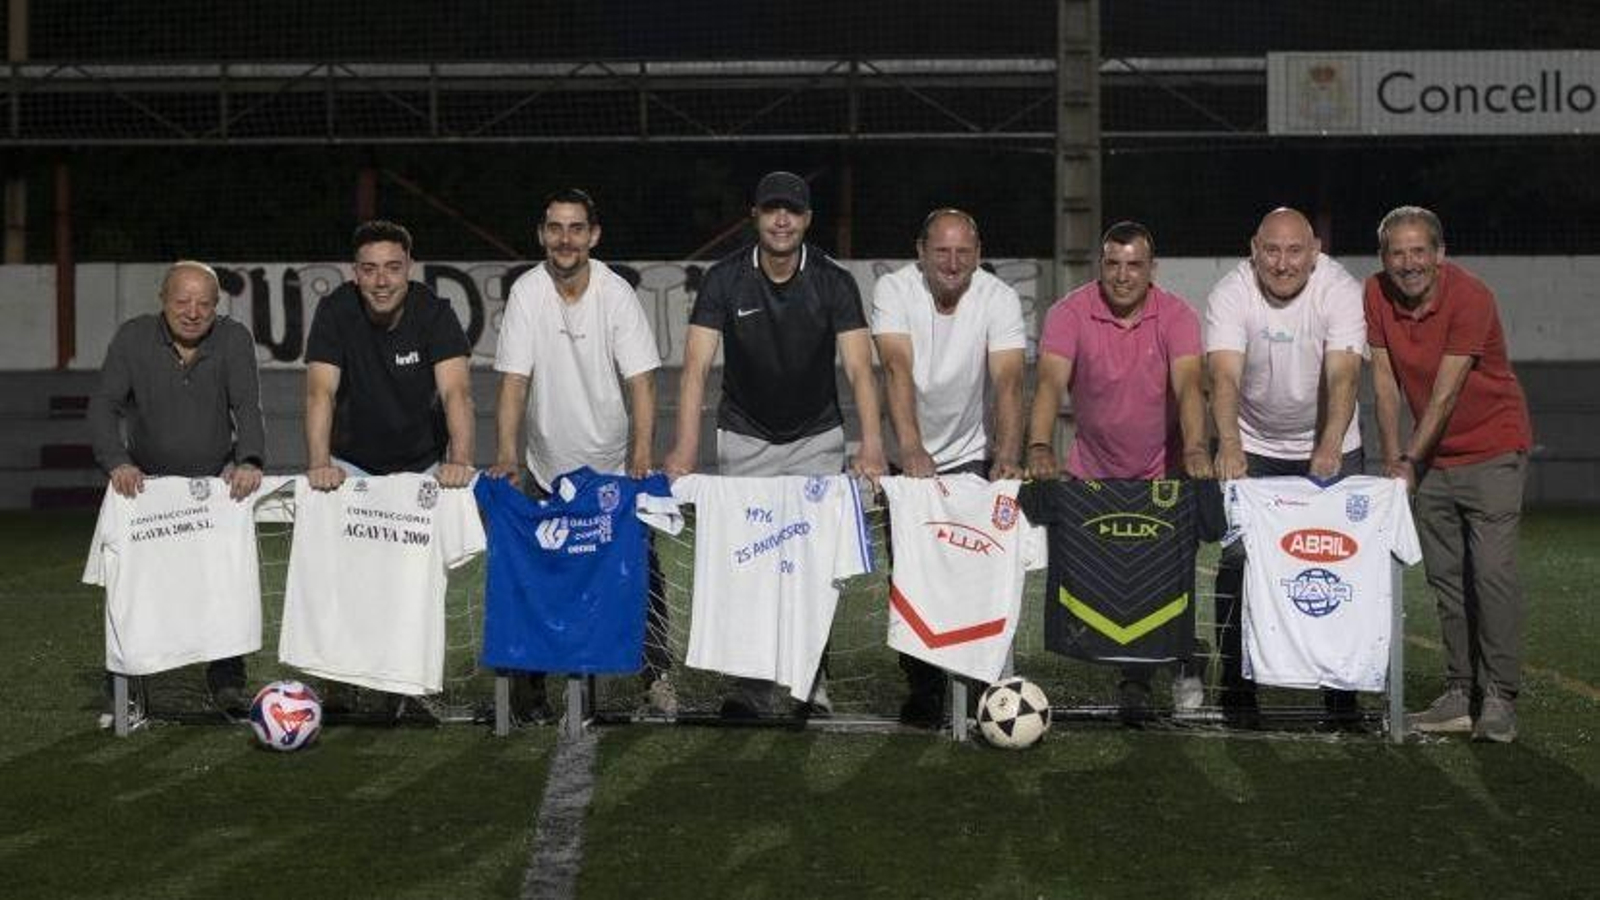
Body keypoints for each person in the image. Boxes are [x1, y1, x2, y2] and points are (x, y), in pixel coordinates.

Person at [664, 170, 886, 716]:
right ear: (755, 217)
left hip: (816, 436)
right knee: (749, 563)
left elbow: (860, 369)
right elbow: (695, 369)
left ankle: (811, 681)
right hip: (744, 436)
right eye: (771, 210)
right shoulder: (723, 279)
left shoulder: (834, 282)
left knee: (813, 564)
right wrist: (684, 450)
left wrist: (873, 444)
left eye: (792, 210)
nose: (781, 219)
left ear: (807, 219)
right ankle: (752, 687)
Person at [486, 188, 672, 721]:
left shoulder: (616, 294)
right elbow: (514, 384)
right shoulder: (526, 293)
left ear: (593, 235)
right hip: (548, 471)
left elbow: (642, 382)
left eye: (575, 228)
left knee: (644, 575)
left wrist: (640, 455)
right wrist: (506, 455)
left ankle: (655, 676)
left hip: (612, 469)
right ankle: (532, 690)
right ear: (542, 234)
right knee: (539, 577)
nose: (564, 239)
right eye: (554, 228)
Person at [1026, 221, 1211, 723]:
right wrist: (1040, 444)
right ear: (1100, 265)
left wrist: (1195, 449)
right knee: (1122, 586)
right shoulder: (1069, 313)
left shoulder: (1177, 315)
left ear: (1152, 269)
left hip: (1165, 473)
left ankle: (1186, 662)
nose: (1123, 275)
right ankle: (1134, 680)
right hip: (1095, 475)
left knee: (1172, 583)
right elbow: (1048, 383)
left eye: (1134, 265)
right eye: (1113, 264)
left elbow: (1191, 385)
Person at [1364, 206, 1532, 743]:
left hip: (1492, 448)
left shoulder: (1471, 296)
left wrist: (1410, 461)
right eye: (1397, 252)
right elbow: (1386, 382)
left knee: (1490, 574)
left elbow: (1445, 392)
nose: (1408, 263)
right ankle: (1460, 693)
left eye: (1419, 251)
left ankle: (1500, 696)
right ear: (1384, 258)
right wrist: (1394, 458)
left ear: (1439, 254)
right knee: (1446, 581)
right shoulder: (1375, 294)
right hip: (1429, 458)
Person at [1204, 207, 1366, 728]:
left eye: (1295, 251)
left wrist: (1330, 443)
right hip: (1253, 445)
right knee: (1237, 564)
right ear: (1254, 249)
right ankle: (1234, 688)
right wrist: (1230, 445)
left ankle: (1342, 698)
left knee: (1342, 569)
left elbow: (1344, 376)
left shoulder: (1340, 289)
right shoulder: (1231, 292)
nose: (1282, 263)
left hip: (1330, 444)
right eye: (1271, 250)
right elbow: (1223, 377)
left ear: (1314, 251)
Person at [87, 260, 266, 715]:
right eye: (182, 301)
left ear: (216, 306)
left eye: (204, 303)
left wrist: (248, 460)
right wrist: (118, 462)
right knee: (134, 590)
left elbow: (247, 406)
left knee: (222, 584)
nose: (192, 311)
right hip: (145, 489)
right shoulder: (132, 337)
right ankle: (122, 684)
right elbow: (104, 406)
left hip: (215, 488)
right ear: (163, 301)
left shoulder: (234, 338)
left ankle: (227, 681)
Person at [871, 207, 1026, 726]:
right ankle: (925, 687)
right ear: (921, 252)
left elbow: (1007, 381)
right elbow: (896, 366)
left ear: (978, 255)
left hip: (975, 457)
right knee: (913, 574)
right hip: (909, 459)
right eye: (942, 250)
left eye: (964, 252)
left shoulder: (999, 298)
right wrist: (911, 447)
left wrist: (1007, 453)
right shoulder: (893, 291)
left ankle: (984, 685)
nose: (953, 262)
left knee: (976, 569)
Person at [304, 220, 475, 492]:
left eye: (393, 268)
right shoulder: (334, 311)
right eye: (369, 270)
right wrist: (319, 465)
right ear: (356, 273)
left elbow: (456, 393)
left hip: (424, 465)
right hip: (350, 465)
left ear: (409, 267)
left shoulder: (436, 313)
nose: (381, 282)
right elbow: (320, 393)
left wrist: (461, 461)